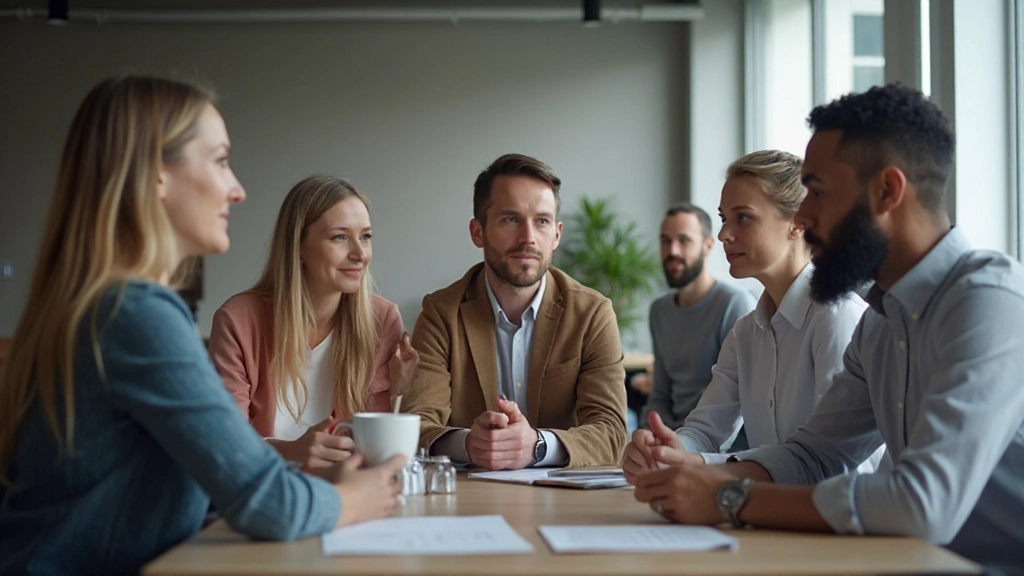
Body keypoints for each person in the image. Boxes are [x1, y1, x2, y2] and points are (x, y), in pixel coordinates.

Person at [0, 76, 404, 576]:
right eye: (219, 160)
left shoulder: (104, 302)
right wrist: (358, 499)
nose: (237, 190)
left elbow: (194, 487)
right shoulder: (135, 315)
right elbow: (267, 502)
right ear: (156, 176)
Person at [632, 83, 1024, 575]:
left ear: (887, 190)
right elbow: (814, 455)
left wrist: (730, 496)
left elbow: (922, 504)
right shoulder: (881, 319)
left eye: (818, 192)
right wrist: (696, 475)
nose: (806, 215)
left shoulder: (989, 300)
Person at [622, 150, 873, 482]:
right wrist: (667, 450)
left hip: (839, 522)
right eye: (724, 217)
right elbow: (705, 430)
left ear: (798, 223)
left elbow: (832, 460)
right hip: (772, 513)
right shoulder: (746, 333)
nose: (725, 233)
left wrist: (703, 465)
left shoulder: (838, 319)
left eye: (743, 217)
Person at [403, 153, 627, 470]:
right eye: (511, 219)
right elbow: (417, 424)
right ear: (477, 232)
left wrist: (536, 445)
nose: (528, 238)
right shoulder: (441, 313)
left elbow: (612, 433)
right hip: (470, 500)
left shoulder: (592, 313)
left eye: (542, 221)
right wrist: (469, 444)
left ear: (557, 235)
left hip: (563, 500)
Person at [208, 175, 418, 474]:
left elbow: (378, 453)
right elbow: (225, 444)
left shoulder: (382, 321)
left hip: (350, 494)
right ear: (298, 247)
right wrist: (289, 452)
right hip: (265, 492)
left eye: (366, 236)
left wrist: (402, 390)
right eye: (340, 237)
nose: (360, 253)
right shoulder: (238, 321)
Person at [636, 203, 756, 431]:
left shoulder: (734, 304)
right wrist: (649, 437)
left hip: (717, 448)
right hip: (673, 441)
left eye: (684, 240)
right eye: (665, 241)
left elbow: (739, 405)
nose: (672, 251)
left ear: (708, 245)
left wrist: (683, 446)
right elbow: (660, 396)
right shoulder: (659, 310)